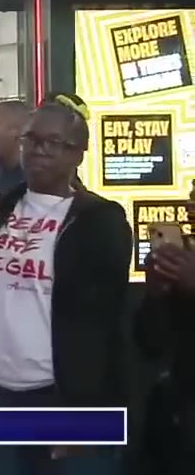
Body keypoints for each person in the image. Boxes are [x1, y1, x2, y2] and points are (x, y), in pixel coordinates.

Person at [0, 93, 131, 475]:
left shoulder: (100, 220)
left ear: (78, 154)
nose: (40, 151)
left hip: (60, 397)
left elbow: (105, 325)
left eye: (54, 143)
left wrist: (86, 413)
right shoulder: (1, 210)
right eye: (32, 140)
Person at [133, 193, 195, 474]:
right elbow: (151, 345)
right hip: (179, 418)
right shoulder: (185, 258)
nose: (191, 203)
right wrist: (156, 293)